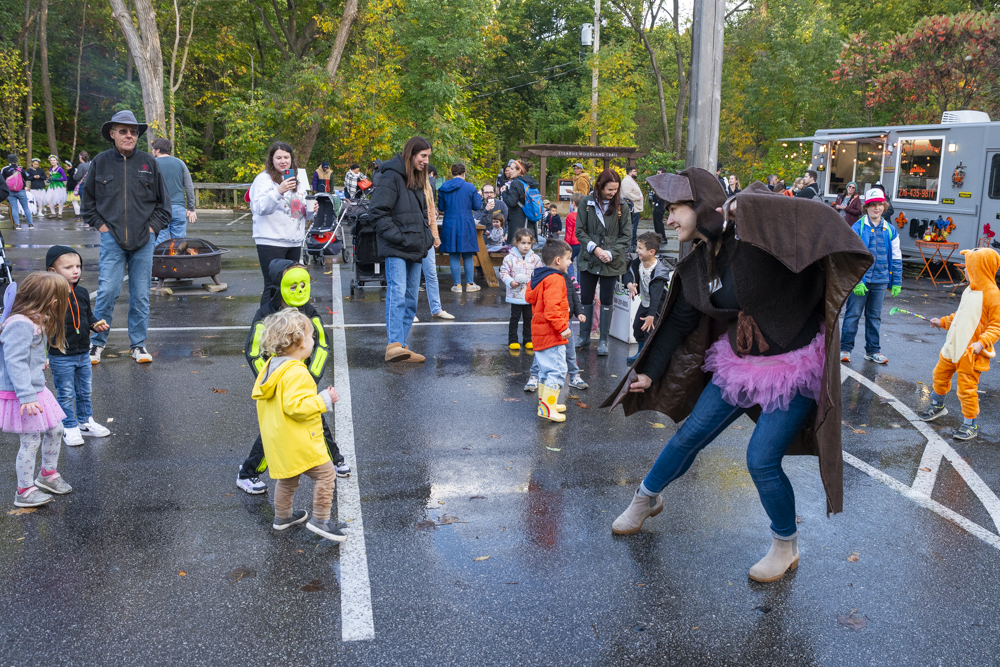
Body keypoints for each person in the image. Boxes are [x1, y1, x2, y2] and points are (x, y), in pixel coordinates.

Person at [603, 170, 872, 583]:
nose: (668, 220)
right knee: (690, 434)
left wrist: (747, 204)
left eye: (675, 209)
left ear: (702, 205)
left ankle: (785, 545)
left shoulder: (756, 238)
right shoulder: (697, 263)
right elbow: (679, 321)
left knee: (761, 459)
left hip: (795, 365)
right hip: (740, 363)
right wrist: (649, 372)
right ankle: (646, 498)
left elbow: (812, 217)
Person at [237, 259, 350, 494]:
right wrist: (274, 380)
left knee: (314, 418)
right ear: (279, 285)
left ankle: (334, 458)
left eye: (303, 284)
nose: (299, 290)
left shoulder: (309, 311)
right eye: (293, 284)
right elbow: (253, 352)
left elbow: (322, 344)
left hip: (302, 378)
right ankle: (247, 473)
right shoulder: (265, 314)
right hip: (277, 383)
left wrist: (311, 376)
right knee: (276, 429)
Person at [83, 110, 171, 365]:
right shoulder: (100, 162)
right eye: (123, 131)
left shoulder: (149, 163)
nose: (129, 135)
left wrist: (152, 229)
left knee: (140, 294)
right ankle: (97, 343)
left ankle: (138, 344)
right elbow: (88, 203)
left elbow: (164, 205)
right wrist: (101, 227)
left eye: (133, 132)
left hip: (144, 239)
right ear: (112, 134)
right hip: (111, 238)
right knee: (107, 291)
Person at [251, 309, 346, 542]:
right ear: (300, 342)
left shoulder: (272, 366)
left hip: (280, 440)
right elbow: (296, 407)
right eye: (311, 337)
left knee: (288, 478)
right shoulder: (297, 372)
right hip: (300, 440)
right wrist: (324, 399)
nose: (313, 341)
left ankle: (282, 517)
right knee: (326, 475)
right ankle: (321, 520)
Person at [0, 272, 73, 507]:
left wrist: (40, 360)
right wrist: (26, 396)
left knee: (55, 429)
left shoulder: (35, 319)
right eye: (63, 298)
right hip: (23, 394)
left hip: (35, 389)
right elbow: (15, 361)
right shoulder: (20, 324)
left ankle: (47, 475)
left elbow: (27, 354)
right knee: (30, 441)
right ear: (52, 300)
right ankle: (24, 491)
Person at [918, 248, 1000, 441]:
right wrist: (943, 322)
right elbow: (960, 315)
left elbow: (996, 326)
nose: (964, 270)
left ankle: (970, 424)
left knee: (966, 388)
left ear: (980, 268)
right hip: (953, 346)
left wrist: (981, 344)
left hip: (970, 352)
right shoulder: (968, 290)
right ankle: (937, 405)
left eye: (969, 267)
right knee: (939, 375)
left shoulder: (992, 294)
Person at [370, 136, 436, 363]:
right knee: (397, 294)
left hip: (415, 248)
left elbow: (420, 214)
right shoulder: (391, 176)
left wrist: (426, 238)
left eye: (428, 157)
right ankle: (394, 345)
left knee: (410, 300)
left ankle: (402, 346)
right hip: (397, 248)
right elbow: (377, 212)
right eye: (423, 156)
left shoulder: (417, 178)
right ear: (411, 154)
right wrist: (398, 238)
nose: (426, 161)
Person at [45, 247, 112, 447]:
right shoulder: (49, 295)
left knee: (84, 390)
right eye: (68, 267)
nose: (75, 271)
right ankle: (69, 426)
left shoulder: (81, 292)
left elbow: (87, 315)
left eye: (78, 266)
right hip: (61, 354)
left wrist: (94, 324)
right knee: (66, 393)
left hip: (83, 352)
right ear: (52, 271)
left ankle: (85, 422)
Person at [249, 141, 316, 306]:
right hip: (271, 241)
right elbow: (259, 208)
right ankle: (264, 321)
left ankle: (287, 321)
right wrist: (279, 190)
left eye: (286, 157)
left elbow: (299, 213)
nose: (283, 161)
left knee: (291, 285)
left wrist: (311, 210)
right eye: (278, 157)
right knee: (273, 286)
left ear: (292, 159)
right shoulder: (263, 180)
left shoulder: (297, 181)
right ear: (271, 159)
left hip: (294, 241)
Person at [840, 188, 901, 365]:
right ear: (866, 207)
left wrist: (896, 281)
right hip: (861, 281)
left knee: (874, 317)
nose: (876, 208)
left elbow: (897, 257)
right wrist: (857, 280)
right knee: (852, 315)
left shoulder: (890, 230)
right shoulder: (856, 228)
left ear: (884, 207)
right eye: (872, 205)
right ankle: (845, 349)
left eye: (879, 205)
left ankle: (873, 351)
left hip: (881, 281)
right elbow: (850, 257)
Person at [575, 169, 630, 356]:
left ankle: (604, 340)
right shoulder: (586, 202)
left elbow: (626, 236)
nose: (613, 193)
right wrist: (596, 249)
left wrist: (610, 253)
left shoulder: (622, 205)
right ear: (600, 185)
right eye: (609, 189)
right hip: (589, 258)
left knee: (607, 299)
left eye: (616, 189)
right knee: (586, 298)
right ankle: (584, 336)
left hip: (611, 260)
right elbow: (579, 231)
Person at [525, 239, 574, 422]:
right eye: (568, 258)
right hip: (552, 334)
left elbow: (531, 298)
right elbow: (552, 310)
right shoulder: (555, 279)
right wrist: (563, 327)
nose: (570, 262)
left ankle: (545, 403)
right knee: (557, 370)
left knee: (546, 371)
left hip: (541, 334)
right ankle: (547, 408)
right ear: (558, 260)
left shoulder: (540, 277)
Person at [624, 232, 670, 364]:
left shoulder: (659, 272)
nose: (636, 250)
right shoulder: (639, 262)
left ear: (651, 252)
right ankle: (641, 352)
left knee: (650, 331)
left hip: (656, 306)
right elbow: (629, 273)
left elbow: (656, 296)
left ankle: (648, 358)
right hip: (645, 302)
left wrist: (651, 315)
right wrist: (630, 284)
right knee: (637, 326)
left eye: (640, 248)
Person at [438, 163, 483, 292]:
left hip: (450, 222)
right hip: (466, 223)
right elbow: (477, 206)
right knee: (468, 254)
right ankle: (469, 284)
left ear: (451, 173)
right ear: (464, 173)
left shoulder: (443, 187)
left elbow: (441, 208)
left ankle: (457, 285)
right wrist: (478, 195)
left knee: (453, 255)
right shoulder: (470, 187)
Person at [417, 167, 454, 322]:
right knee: (412, 277)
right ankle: (409, 312)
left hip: (426, 236)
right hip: (412, 236)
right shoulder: (406, 184)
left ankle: (436, 309)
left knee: (431, 274)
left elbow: (432, 213)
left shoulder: (427, 186)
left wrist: (435, 237)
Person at [500, 229, 542, 355]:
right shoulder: (509, 258)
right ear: (517, 242)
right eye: (523, 243)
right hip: (515, 294)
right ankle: (513, 340)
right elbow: (503, 272)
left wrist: (535, 284)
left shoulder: (535, 258)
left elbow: (539, 273)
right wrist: (510, 281)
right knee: (515, 317)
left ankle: (528, 339)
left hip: (530, 294)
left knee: (529, 318)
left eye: (528, 243)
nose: (526, 246)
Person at [151, 138, 197, 243]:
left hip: (159, 209)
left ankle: (161, 254)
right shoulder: (180, 163)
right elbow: (189, 187)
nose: (152, 152)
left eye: (153, 149)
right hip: (178, 208)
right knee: (179, 243)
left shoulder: (152, 164)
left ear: (158, 150)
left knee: (160, 243)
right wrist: (191, 208)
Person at [501, 160, 540, 244]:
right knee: (527, 246)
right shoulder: (529, 183)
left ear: (519, 170)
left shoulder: (515, 183)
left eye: (512, 169)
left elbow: (512, 202)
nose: (509, 171)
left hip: (518, 221)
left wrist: (504, 193)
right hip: (529, 219)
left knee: (516, 246)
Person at [1, 154, 33, 230]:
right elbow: (26, 177)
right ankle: (31, 224)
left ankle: (18, 225)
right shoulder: (20, 169)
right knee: (25, 207)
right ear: (16, 160)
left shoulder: (5, 169)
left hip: (10, 191)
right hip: (21, 190)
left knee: (14, 208)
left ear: (8, 160)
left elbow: (2, 180)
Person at [621, 166, 644, 251]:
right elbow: (627, 193)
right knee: (632, 226)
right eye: (634, 171)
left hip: (635, 207)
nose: (636, 173)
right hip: (632, 208)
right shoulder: (627, 181)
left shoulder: (631, 180)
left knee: (634, 226)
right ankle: (631, 243)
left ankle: (633, 242)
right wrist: (638, 198)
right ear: (630, 173)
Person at [70, 152, 91, 221]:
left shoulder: (81, 166)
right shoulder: (91, 164)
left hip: (83, 185)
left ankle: (85, 220)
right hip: (91, 185)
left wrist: (74, 174)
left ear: (81, 158)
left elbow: (77, 177)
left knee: (83, 202)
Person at [45, 155, 67, 219]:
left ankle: (60, 214)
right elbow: (50, 177)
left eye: (54, 160)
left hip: (59, 186)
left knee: (60, 200)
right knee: (49, 199)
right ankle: (53, 213)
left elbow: (65, 178)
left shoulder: (60, 169)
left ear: (56, 161)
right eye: (51, 160)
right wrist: (49, 180)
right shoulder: (50, 169)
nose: (52, 161)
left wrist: (57, 179)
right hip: (52, 186)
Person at [564, 199, 580, 281]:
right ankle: (580, 283)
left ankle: (572, 277)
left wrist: (566, 243)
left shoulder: (570, 216)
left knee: (568, 259)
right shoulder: (584, 215)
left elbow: (569, 232)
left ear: (573, 203)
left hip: (572, 243)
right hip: (582, 242)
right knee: (580, 264)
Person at [649, 167, 667, 238]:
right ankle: (658, 236)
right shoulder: (658, 182)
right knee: (656, 222)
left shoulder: (664, 183)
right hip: (657, 204)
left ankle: (662, 237)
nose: (657, 175)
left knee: (659, 222)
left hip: (661, 204)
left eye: (658, 173)